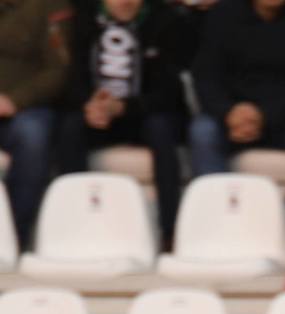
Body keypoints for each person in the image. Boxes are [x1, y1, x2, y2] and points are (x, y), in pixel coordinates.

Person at [57, 0, 195, 248]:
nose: (125, 1)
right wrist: (89, 105)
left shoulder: (166, 21)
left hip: (145, 115)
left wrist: (123, 107)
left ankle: (171, 231)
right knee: (70, 128)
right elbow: (71, 77)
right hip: (98, 114)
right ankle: (72, 223)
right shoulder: (82, 18)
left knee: (162, 128)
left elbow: (169, 92)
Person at [189, 0, 285, 178]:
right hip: (234, 117)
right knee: (203, 132)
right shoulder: (223, 13)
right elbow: (206, 76)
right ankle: (217, 204)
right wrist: (228, 112)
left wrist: (264, 115)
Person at [0, 0, 71, 249]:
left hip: (24, 108)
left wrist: (14, 100)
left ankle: (14, 237)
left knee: (33, 136)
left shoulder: (49, 6)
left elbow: (58, 70)